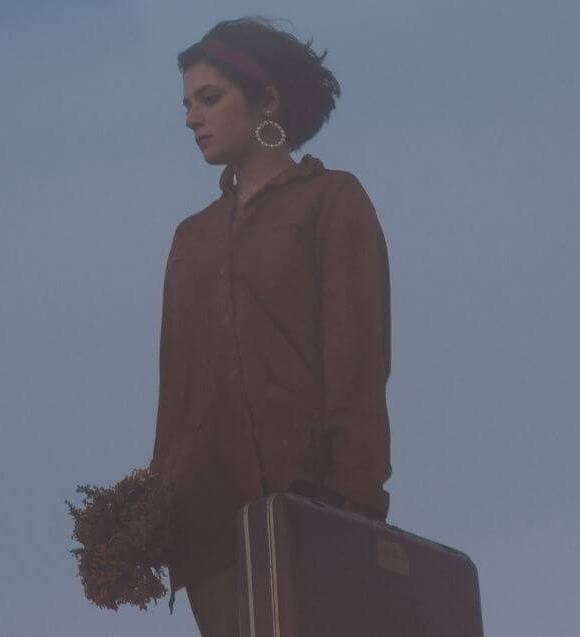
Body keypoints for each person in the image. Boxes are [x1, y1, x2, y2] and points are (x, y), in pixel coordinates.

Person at [148, 17, 393, 637]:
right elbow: (175, 389)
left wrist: (355, 503)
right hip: (209, 530)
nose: (191, 118)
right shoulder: (191, 238)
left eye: (210, 98)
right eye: (186, 105)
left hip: (313, 507)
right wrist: (152, 510)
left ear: (267, 100)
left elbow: (358, 360)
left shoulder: (331, 200)